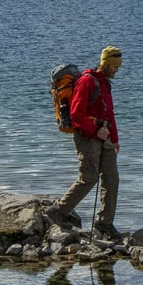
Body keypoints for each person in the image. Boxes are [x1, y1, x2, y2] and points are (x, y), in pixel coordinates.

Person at [48, 46, 123, 238]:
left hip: (104, 136)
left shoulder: (105, 84)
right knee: (89, 178)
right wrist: (96, 131)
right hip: (87, 136)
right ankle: (58, 211)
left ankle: (104, 223)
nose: (116, 69)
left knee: (112, 179)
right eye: (114, 66)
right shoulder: (86, 82)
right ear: (104, 64)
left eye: (118, 66)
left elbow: (110, 114)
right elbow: (76, 115)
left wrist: (114, 139)